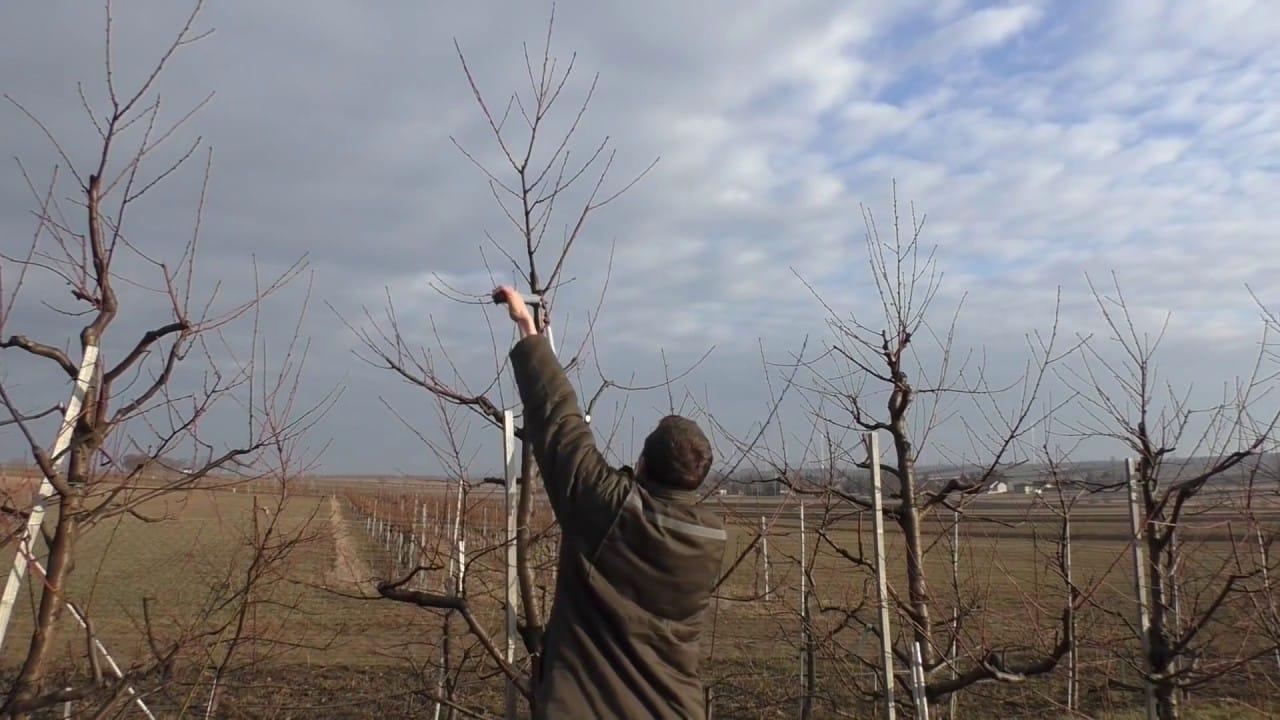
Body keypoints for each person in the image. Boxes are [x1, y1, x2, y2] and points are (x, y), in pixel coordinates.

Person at [493, 285, 727, 720]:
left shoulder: (611, 511)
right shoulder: (707, 540)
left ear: (641, 464)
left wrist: (529, 332)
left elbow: (560, 423)